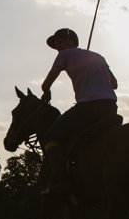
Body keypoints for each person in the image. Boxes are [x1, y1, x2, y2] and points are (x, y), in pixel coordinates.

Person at [39, 27, 119, 195]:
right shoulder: (99, 56)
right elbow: (114, 84)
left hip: (89, 107)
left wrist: (46, 91)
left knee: (50, 137)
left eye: (60, 41)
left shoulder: (64, 55)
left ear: (71, 42)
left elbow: (46, 85)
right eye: (55, 44)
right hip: (111, 106)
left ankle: (62, 184)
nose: (57, 46)